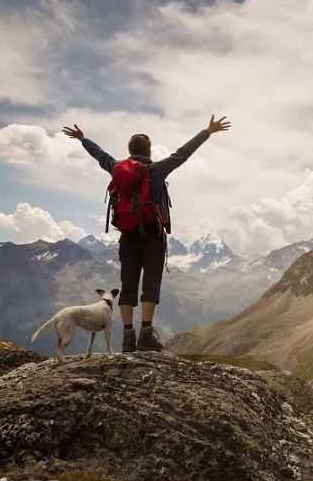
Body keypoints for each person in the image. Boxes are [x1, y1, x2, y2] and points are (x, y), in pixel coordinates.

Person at [63, 116, 231, 352]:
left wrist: (83, 138)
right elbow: (182, 154)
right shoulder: (156, 170)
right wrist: (207, 131)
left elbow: (100, 155)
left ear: (129, 150)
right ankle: (145, 337)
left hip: (127, 237)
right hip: (153, 236)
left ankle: (127, 339)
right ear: (149, 151)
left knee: (128, 286)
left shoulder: (117, 168)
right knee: (150, 286)